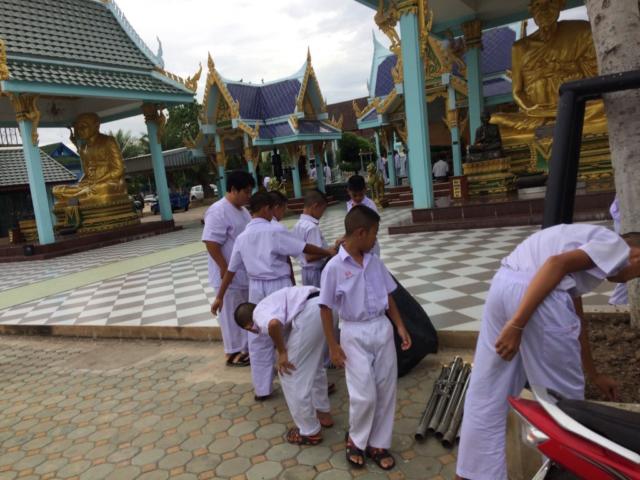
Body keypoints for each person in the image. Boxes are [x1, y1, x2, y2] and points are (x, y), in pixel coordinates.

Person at [456, 223, 640, 480]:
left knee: (488, 390)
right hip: (538, 298)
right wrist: (517, 324)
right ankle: (565, 473)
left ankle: (474, 474)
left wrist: (594, 374)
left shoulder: (582, 242)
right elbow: (555, 265)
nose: (628, 280)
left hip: (503, 285)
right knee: (563, 404)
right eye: (636, 275)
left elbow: (576, 316)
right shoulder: (616, 246)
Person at [211, 192, 336, 400]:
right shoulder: (275, 230)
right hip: (278, 286)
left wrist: (219, 296)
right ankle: (312, 386)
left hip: (256, 288)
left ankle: (262, 389)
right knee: (292, 335)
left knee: (258, 338)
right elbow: (303, 248)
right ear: (266, 208)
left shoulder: (242, 237)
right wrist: (328, 252)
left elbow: (230, 270)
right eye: (272, 209)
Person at [319, 205, 412, 470]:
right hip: (353, 332)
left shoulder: (374, 262)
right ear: (360, 233)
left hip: (381, 328)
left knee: (385, 389)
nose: (375, 239)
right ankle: (356, 440)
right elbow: (325, 307)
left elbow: (388, 296)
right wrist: (333, 345)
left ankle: (378, 443)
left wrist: (400, 326)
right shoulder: (334, 268)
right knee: (364, 394)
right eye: (374, 233)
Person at [235, 286, 335, 445]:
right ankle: (323, 414)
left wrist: (282, 353)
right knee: (313, 365)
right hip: (326, 306)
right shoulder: (271, 304)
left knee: (289, 372)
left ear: (248, 326)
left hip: (310, 314)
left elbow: (273, 324)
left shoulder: (258, 314)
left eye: (250, 330)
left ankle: (310, 431)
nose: (254, 332)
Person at [202, 170, 255, 367]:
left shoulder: (243, 211)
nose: (249, 196)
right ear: (233, 189)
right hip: (227, 275)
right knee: (231, 314)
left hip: (243, 274)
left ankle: (246, 350)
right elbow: (211, 242)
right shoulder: (218, 211)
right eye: (246, 192)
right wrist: (224, 267)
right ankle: (233, 353)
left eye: (250, 192)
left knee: (243, 312)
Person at [292, 190, 330, 287]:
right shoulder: (312, 227)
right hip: (315, 272)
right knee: (318, 294)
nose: (322, 214)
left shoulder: (298, 224)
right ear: (315, 206)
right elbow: (310, 256)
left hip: (305, 271)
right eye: (322, 210)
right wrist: (329, 252)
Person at [346, 175, 380, 256]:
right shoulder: (349, 204)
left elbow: (373, 225)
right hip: (357, 244)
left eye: (361, 195)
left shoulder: (370, 205)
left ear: (365, 190)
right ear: (348, 191)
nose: (358, 198)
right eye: (354, 195)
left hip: (369, 243)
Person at [608, 197, 628, 305]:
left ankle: (617, 301)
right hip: (627, 228)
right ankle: (616, 301)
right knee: (631, 267)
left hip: (625, 228)